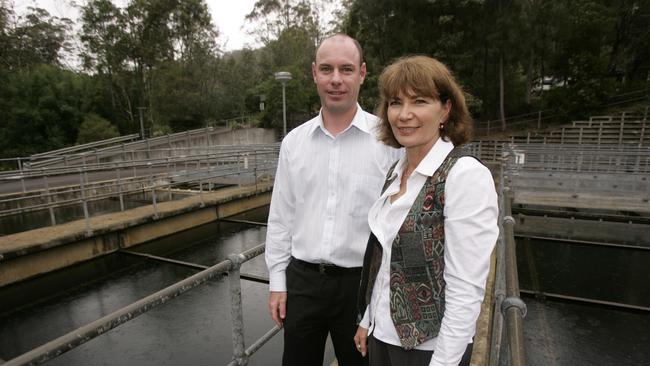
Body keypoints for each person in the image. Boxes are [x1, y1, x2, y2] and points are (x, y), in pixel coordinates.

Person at [265, 34, 402, 366]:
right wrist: (277, 281)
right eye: (327, 69)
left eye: (346, 68)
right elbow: (282, 217)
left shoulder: (389, 141)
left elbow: (397, 224)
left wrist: (380, 297)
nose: (336, 79)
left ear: (362, 73)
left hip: (360, 287)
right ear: (314, 73)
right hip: (302, 284)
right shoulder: (294, 143)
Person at [353, 55, 499, 366]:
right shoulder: (397, 170)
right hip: (383, 336)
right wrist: (368, 319)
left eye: (419, 101)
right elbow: (387, 261)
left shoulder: (464, 176)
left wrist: (443, 362)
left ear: (446, 109)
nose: (404, 115)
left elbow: (466, 290)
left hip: (429, 349)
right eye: (395, 103)